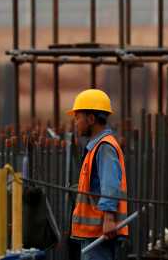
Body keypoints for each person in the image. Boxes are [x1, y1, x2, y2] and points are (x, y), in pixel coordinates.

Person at [67, 89, 128, 260]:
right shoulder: (95, 147)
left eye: (78, 117)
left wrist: (109, 219)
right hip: (93, 234)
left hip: (100, 233)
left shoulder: (104, 147)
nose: (76, 122)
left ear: (91, 119)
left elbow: (110, 185)